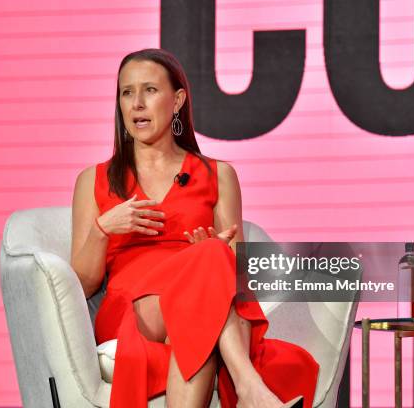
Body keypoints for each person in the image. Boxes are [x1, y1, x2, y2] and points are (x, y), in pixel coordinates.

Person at [70, 48, 319, 408]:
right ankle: (247, 385)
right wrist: (102, 230)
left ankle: (246, 384)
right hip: (136, 313)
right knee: (210, 264)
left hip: (202, 303)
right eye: (127, 92)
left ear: (177, 101)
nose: (137, 103)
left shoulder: (219, 175)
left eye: (150, 91)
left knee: (212, 265)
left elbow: (240, 276)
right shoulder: (94, 180)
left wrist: (210, 254)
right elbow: (81, 283)